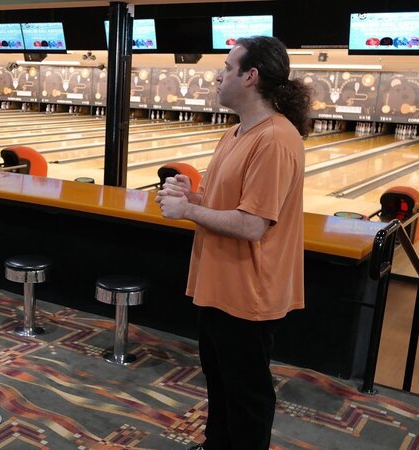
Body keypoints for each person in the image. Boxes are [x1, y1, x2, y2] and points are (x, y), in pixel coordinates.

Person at [156, 35, 311, 450]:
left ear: (250, 76)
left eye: (226, 68)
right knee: (221, 384)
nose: (219, 75)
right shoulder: (237, 131)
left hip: (249, 294)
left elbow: (252, 225)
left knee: (248, 398)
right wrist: (192, 196)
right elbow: (225, 204)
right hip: (219, 285)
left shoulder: (276, 139)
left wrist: (187, 212)